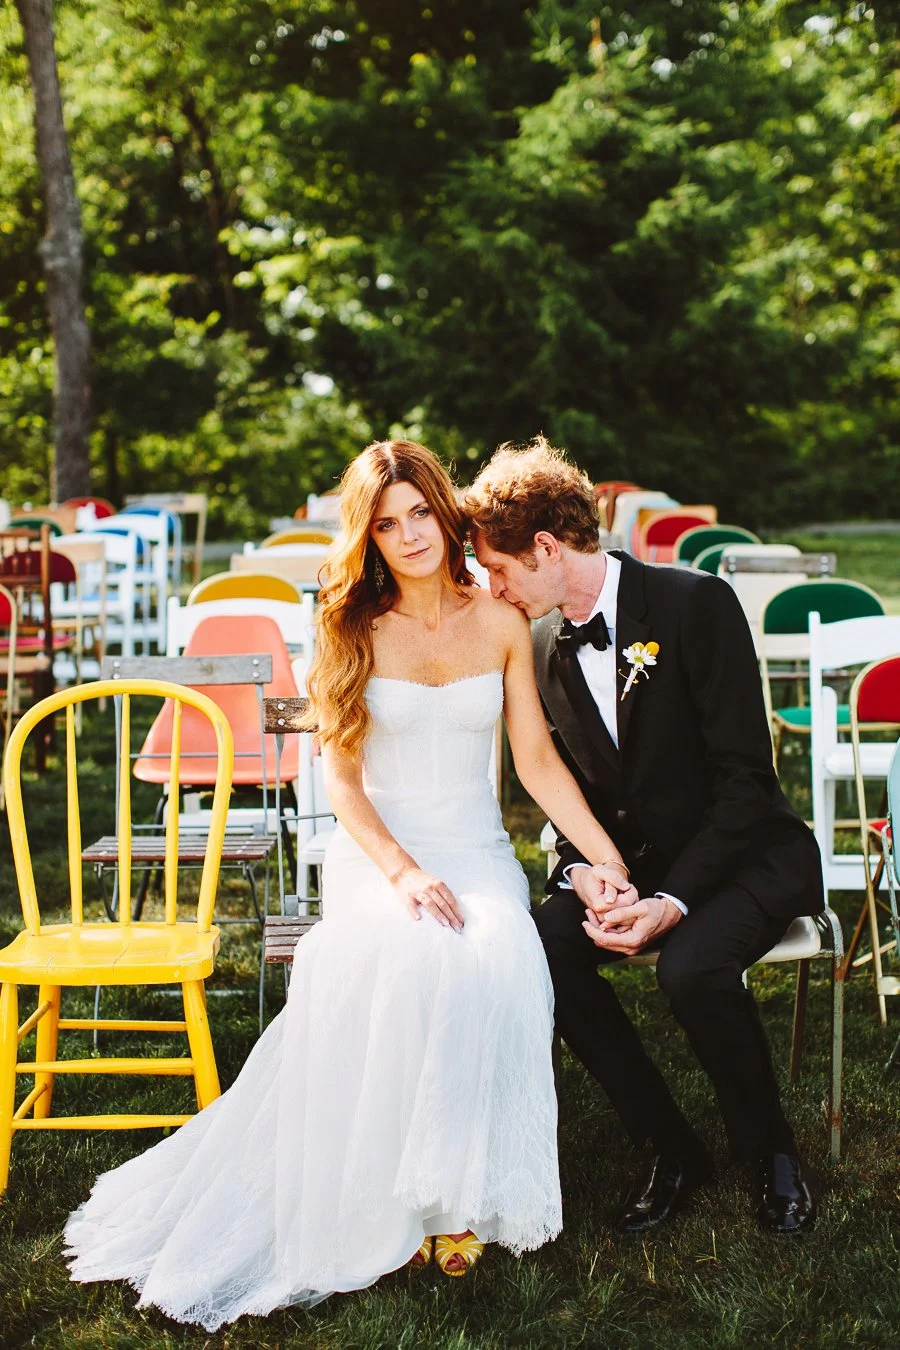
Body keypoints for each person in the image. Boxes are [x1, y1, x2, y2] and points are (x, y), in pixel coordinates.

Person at [64, 439, 638, 1330]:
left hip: (475, 845)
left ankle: (461, 1201)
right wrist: (403, 873)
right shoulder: (349, 624)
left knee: (498, 956)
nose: (408, 536)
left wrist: (604, 857)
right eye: (386, 523)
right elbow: (342, 783)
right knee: (414, 956)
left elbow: (532, 759)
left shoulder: (497, 621)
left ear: (444, 514)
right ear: (366, 537)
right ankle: (396, 1206)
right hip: (382, 849)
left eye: (419, 514)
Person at [464, 437, 822, 1237]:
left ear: (548, 548)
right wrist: (580, 871)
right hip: (640, 870)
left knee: (691, 971)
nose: (494, 589)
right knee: (545, 943)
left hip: (744, 859)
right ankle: (669, 1147)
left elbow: (745, 783)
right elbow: (569, 795)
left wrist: (671, 899)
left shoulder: (696, 605)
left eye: (501, 570)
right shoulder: (545, 646)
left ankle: (771, 1155)